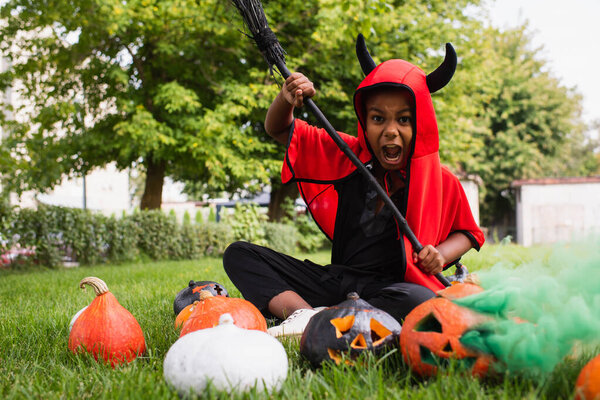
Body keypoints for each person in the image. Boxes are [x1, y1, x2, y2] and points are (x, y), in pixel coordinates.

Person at [223, 35, 484, 337]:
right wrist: (286, 97)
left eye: (403, 120)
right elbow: (278, 128)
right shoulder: (347, 154)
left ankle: (339, 318)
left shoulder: (442, 180)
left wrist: (441, 254)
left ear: (421, 123)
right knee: (239, 254)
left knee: (420, 300)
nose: (390, 131)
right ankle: (305, 316)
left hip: (390, 289)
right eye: (378, 118)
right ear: (364, 120)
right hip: (335, 281)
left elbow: (468, 232)